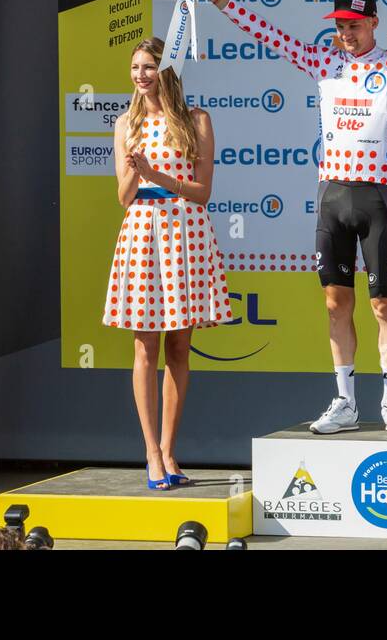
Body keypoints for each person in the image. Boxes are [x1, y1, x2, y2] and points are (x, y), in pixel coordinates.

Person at [187, 0, 387, 436]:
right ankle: (345, 401)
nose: (346, 33)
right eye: (340, 25)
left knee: (385, 305)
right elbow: (262, 30)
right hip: (332, 198)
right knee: (334, 302)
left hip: (376, 198)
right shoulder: (323, 62)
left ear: (374, 24)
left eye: (355, 25)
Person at [104, 38, 232, 488]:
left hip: (186, 233)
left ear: (167, 71)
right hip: (143, 232)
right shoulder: (125, 124)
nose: (140, 75)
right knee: (145, 348)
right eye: (135, 67)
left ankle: (172, 451)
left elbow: (203, 192)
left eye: (149, 67)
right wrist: (138, 174)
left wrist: (158, 175)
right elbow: (123, 198)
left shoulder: (196, 120)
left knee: (179, 348)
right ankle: (151, 453)